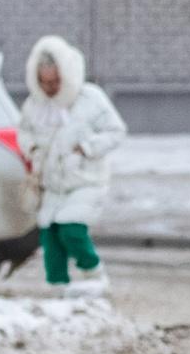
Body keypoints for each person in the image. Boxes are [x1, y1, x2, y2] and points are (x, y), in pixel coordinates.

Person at [17, 35, 128, 288]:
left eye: (55, 82)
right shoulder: (35, 104)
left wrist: (86, 149)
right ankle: (59, 288)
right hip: (50, 183)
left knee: (71, 229)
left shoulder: (90, 98)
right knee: (50, 235)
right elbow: (23, 131)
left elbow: (116, 131)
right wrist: (31, 148)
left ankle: (94, 274)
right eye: (44, 83)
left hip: (85, 180)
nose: (50, 88)